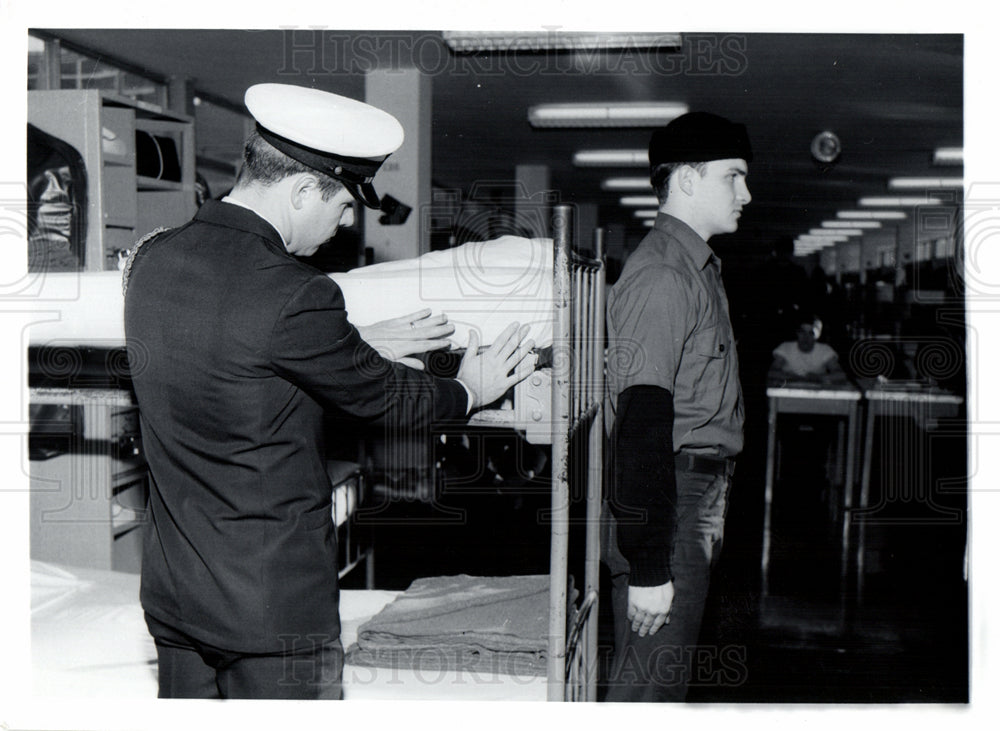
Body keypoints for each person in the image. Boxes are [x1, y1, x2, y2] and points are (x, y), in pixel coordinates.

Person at [123, 83, 536, 700]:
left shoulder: (152, 259)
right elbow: (386, 401)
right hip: (271, 613)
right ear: (299, 191)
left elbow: (225, 350)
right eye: (344, 203)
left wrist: (351, 342)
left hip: (177, 599)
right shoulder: (298, 292)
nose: (348, 221)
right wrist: (466, 389)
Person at [603, 111, 751, 701]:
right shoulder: (665, 274)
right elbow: (640, 424)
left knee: (659, 684)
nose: (746, 193)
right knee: (649, 692)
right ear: (687, 179)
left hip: (696, 498)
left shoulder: (698, 268)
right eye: (733, 177)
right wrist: (648, 566)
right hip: (673, 503)